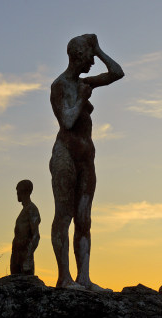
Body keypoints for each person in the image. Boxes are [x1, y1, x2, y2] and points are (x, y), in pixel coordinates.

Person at [49, 34, 124, 291]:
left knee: (84, 219)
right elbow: (67, 121)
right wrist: (82, 98)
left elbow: (117, 73)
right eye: (90, 56)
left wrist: (100, 49)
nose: (93, 61)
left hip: (86, 158)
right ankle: (64, 278)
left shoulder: (84, 82)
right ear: (78, 56)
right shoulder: (59, 86)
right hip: (65, 156)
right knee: (64, 215)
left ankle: (84, 278)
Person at [10, 179, 40, 275]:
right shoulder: (25, 210)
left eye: (18, 191)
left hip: (25, 253)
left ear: (24, 191)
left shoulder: (32, 210)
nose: (17, 194)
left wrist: (28, 256)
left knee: (25, 282)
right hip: (16, 253)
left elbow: (36, 235)